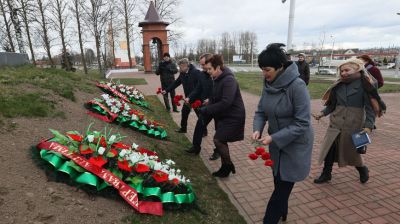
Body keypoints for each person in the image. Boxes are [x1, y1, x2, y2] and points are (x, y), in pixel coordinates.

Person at [252, 43, 314, 224]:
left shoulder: (297, 86)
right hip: (275, 145)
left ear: (280, 67)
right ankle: (282, 212)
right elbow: (261, 111)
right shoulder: (269, 83)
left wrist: (274, 138)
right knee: (278, 182)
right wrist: (257, 129)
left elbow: (302, 122)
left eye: (267, 69)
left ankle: (269, 220)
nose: (264, 73)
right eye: (262, 69)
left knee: (281, 190)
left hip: (295, 144)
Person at [313, 58, 377, 185]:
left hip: (353, 124)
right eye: (341, 71)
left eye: (347, 70)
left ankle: (362, 169)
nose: (343, 73)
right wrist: (322, 113)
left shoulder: (365, 86)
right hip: (336, 122)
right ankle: (326, 174)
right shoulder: (338, 85)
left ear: (357, 69)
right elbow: (332, 105)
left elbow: (370, 109)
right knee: (329, 149)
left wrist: (369, 125)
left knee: (352, 152)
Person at [198, 54, 245, 177]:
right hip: (224, 114)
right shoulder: (217, 78)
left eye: (209, 69)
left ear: (218, 67)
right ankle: (225, 168)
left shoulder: (229, 80)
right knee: (221, 140)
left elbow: (226, 102)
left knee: (218, 139)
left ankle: (228, 165)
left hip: (233, 116)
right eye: (206, 69)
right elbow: (216, 96)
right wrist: (210, 102)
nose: (207, 72)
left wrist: (207, 110)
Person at [185, 53, 219, 159]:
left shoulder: (218, 75)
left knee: (219, 130)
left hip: (218, 106)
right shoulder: (202, 75)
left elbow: (223, 92)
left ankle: (218, 151)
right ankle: (196, 147)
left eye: (203, 64)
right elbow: (198, 89)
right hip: (206, 107)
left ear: (210, 63)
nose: (202, 67)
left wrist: (211, 99)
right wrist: (189, 97)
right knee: (200, 125)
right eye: (201, 65)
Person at [162, 58, 201, 133]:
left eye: (180, 67)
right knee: (184, 112)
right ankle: (183, 129)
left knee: (199, 115)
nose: (179, 69)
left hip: (196, 98)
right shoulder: (182, 73)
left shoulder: (196, 72)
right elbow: (176, 83)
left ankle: (204, 131)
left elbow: (199, 87)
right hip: (187, 99)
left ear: (185, 65)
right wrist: (166, 90)